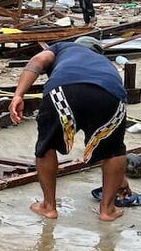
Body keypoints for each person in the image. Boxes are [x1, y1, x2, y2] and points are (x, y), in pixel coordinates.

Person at [8, 36, 130, 222]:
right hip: (110, 94)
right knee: (114, 151)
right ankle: (107, 210)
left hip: (63, 91)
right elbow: (111, 152)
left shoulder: (62, 47)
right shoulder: (106, 64)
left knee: (47, 145)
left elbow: (37, 61)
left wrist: (18, 95)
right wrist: (119, 179)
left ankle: (49, 207)